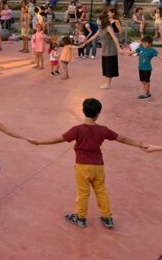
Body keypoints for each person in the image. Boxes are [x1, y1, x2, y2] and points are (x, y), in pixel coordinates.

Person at [28, 98, 145, 229]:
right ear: (99, 113)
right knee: (101, 191)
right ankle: (107, 217)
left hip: (82, 166)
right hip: (98, 166)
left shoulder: (77, 129)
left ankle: (81, 218)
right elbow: (122, 138)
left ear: (83, 111)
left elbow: (59, 139)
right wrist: (139, 144)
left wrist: (39, 142)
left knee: (83, 192)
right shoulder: (103, 130)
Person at [80, 14, 124, 89]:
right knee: (106, 67)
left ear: (102, 20)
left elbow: (115, 38)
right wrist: (85, 43)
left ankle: (107, 84)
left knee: (109, 67)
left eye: (98, 19)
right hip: (104, 50)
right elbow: (94, 36)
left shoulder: (108, 27)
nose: (97, 21)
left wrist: (119, 48)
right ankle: (105, 82)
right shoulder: (100, 28)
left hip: (110, 50)